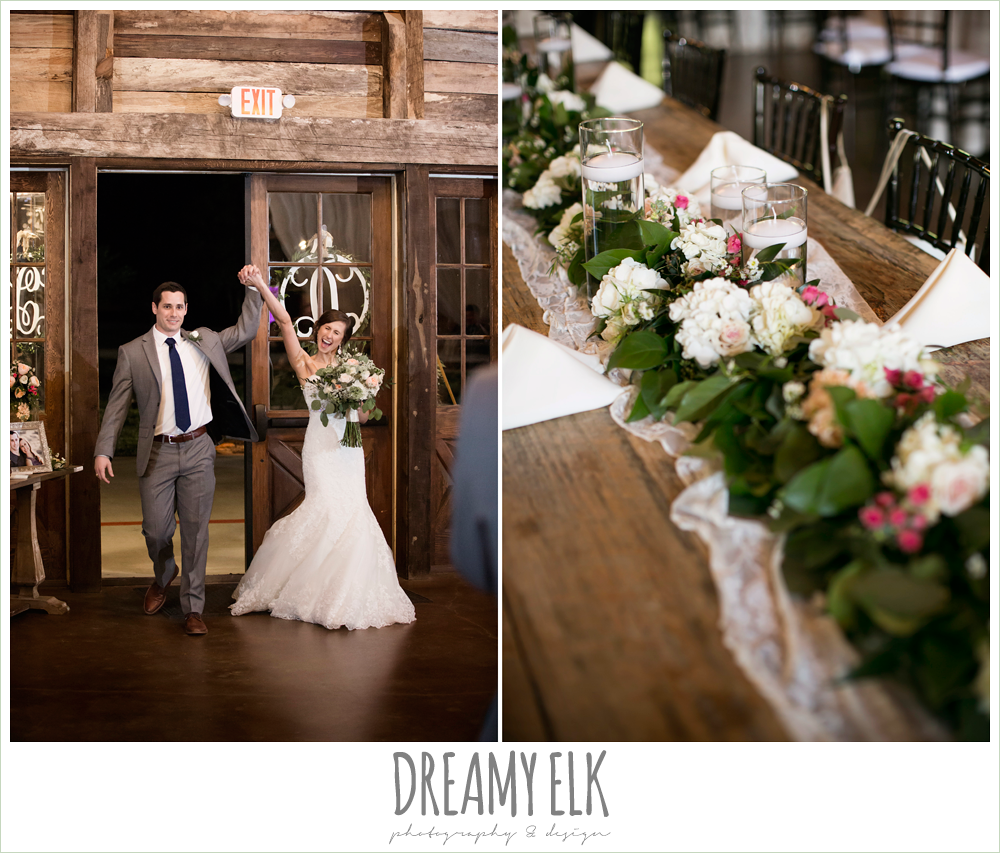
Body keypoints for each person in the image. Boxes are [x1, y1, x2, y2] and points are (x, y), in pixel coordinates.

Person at [230, 264, 415, 630]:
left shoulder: (353, 368)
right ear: (318, 331)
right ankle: (300, 588)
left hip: (349, 449)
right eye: (327, 328)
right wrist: (261, 285)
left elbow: (363, 418)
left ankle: (342, 592)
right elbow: (284, 321)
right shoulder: (304, 363)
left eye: (337, 332)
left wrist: (363, 394)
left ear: (344, 339)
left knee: (352, 512)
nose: (330, 335)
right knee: (325, 509)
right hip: (320, 449)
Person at [94, 278, 263, 636]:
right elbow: (117, 406)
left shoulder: (204, 340)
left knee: (196, 532)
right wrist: (104, 449)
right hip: (157, 451)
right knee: (156, 531)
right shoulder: (132, 351)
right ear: (154, 308)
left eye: (180, 306)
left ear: (187, 310)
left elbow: (247, 329)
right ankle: (165, 572)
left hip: (199, 448)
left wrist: (253, 289)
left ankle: (194, 608)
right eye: (167, 306)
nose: (174, 312)